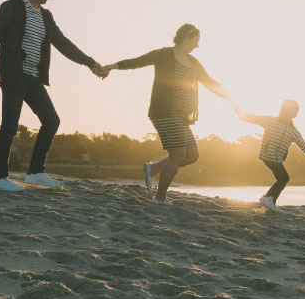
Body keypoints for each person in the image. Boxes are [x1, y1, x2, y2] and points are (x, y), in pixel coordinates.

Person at [0, 0, 104, 191]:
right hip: (13, 73)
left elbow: (63, 43)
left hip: (33, 77)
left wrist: (89, 62)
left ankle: (35, 172)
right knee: (10, 126)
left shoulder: (46, 17)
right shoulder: (12, 7)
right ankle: (0, 178)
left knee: (51, 121)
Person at [99, 24, 234, 205]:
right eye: (196, 41)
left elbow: (209, 82)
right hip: (164, 111)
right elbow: (137, 62)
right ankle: (160, 197)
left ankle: (153, 168)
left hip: (181, 116)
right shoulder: (164, 55)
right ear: (187, 37)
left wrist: (232, 99)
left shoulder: (193, 62)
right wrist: (110, 67)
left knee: (192, 155)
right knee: (178, 155)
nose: (197, 45)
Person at [235, 99, 305, 213]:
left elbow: (303, 146)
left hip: (277, 158)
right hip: (268, 155)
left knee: (282, 178)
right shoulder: (269, 121)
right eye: (289, 111)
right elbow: (254, 118)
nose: (292, 114)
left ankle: (270, 202)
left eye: (294, 112)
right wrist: (241, 114)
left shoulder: (294, 131)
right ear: (283, 110)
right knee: (284, 178)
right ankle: (268, 199)